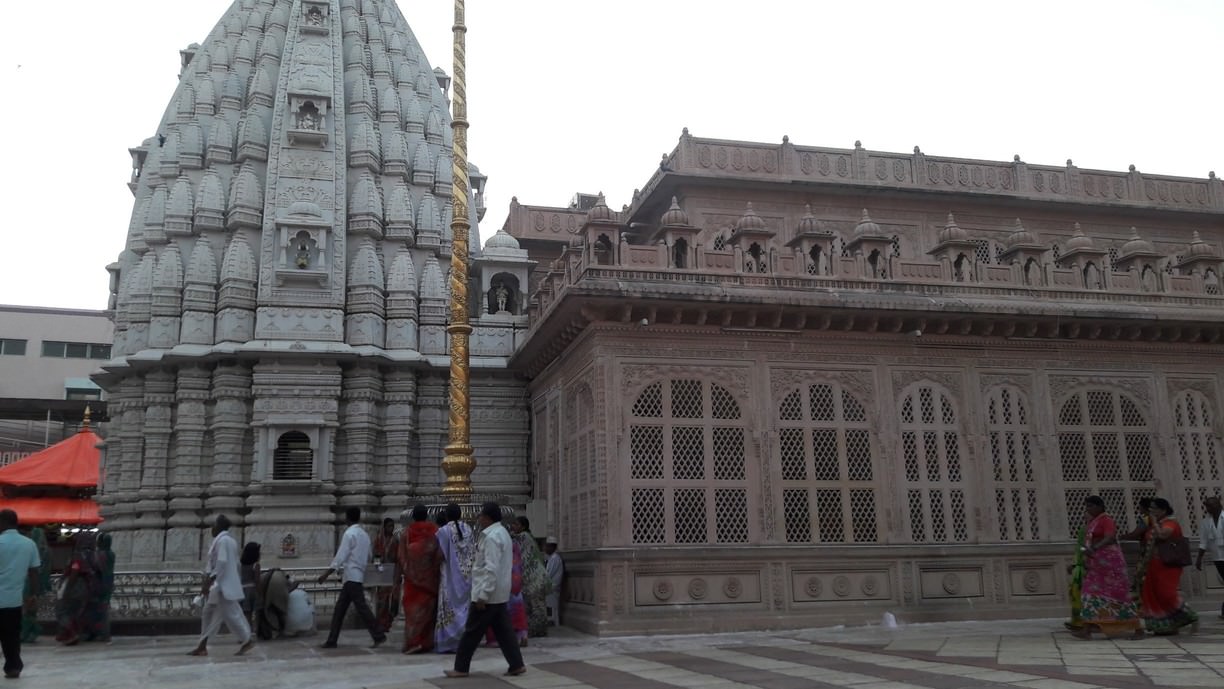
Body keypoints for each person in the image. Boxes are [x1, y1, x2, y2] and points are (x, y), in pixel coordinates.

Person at [444, 502, 527, 678]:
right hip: (499, 593)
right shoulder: (502, 533)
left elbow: (491, 568)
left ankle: (460, 668)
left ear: (488, 518)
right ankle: (516, 664)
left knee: (471, 632)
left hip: (487, 594)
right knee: (504, 632)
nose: (478, 518)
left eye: (481, 515)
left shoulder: (491, 537)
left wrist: (482, 595)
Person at [1070, 496, 1143, 639]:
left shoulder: (1106, 520)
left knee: (1119, 596)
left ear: (1100, 506)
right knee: (1088, 594)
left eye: (1091, 506)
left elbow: (1109, 537)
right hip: (1096, 565)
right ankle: (1087, 628)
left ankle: (1137, 627)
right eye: (1087, 506)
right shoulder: (1093, 522)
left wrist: (1095, 548)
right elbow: (1088, 541)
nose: (1088, 509)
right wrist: (1086, 557)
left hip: (1110, 564)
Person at [318, 506, 386, 649]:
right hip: (357, 575)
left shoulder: (349, 534)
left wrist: (326, 573)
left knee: (359, 608)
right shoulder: (364, 535)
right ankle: (332, 639)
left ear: (347, 518)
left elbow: (341, 556)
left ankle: (378, 634)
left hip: (351, 576)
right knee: (341, 609)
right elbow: (369, 556)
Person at [188, 515, 255, 657]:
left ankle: (246, 639)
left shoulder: (223, 541)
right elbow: (234, 564)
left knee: (231, 615)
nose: (212, 528)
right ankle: (202, 645)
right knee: (210, 613)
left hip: (222, 586)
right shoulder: (230, 541)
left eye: (214, 525)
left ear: (219, 526)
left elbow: (221, 563)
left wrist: (210, 580)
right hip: (224, 585)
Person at [1139, 498, 1198, 635]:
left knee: (1167, 593)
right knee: (1154, 594)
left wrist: (1153, 522)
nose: (1151, 511)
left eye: (1154, 508)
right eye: (1151, 508)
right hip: (1153, 564)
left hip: (1168, 564)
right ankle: (1165, 626)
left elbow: (1162, 535)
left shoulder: (1170, 523)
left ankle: (1191, 616)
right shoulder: (1157, 523)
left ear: (1163, 510)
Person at [0, 509, 40, 679]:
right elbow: (34, 572)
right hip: (14, 599)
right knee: (12, 635)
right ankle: (13, 666)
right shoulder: (29, 544)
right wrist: (33, 595)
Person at [398, 504, 441, 654]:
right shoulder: (435, 531)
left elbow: (402, 558)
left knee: (412, 613)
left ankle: (413, 642)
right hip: (431, 581)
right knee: (429, 612)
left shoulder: (406, 533)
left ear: (413, 516)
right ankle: (426, 642)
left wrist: (410, 573)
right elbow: (439, 556)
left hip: (412, 581)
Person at [435, 502, 475, 653]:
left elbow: (440, 554)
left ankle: (449, 642)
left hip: (450, 576)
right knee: (464, 608)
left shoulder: (444, 531)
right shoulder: (469, 529)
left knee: (448, 606)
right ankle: (464, 641)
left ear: (446, 515)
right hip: (466, 577)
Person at [55, 534, 98, 645]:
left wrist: (67, 590)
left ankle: (71, 633)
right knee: (74, 612)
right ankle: (69, 634)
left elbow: (75, 571)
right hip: (84, 588)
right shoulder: (90, 556)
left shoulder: (77, 557)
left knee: (63, 611)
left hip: (75, 587)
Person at [511, 516, 550, 638]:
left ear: (523, 527)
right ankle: (534, 630)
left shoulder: (524, 536)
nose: (513, 527)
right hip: (533, 578)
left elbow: (511, 538)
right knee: (532, 606)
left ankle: (538, 631)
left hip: (535, 579)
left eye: (516, 524)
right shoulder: (527, 537)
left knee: (536, 607)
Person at [1194, 496, 1224, 619]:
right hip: (1218, 557)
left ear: (1219, 505)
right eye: (1207, 506)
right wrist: (1199, 558)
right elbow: (1203, 542)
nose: (1209, 508)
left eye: (1211, 505)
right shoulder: (1206, 522)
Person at [19, 527, 50, 643]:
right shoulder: (44, 551)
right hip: (36, 583)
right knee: (31, 610)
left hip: (27, 583)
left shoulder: (29, 549)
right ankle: (31, 632)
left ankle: (29, 632)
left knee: (26, 610)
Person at [83, 532, 116, 642]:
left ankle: (96, 632)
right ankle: (104, 633)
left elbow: (96, 567)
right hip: (108, 583)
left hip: (98, 584)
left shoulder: (100, 554)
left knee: (95, 609)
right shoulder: (111, 554)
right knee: (103, 609)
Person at [373, 517, 400, 633]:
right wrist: (378, 566)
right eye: (389, 526)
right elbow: (375, 555)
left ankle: (389, 623)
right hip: (382, 572)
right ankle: (380, 623)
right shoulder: (379, 540)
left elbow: (398, 556)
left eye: (392, 526)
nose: (391, 528)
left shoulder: (395, 540)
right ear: (384, 527)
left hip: (393, 571)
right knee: (382, 599)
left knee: (392, 599)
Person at [240, 542, 261, 624]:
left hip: (242, 590)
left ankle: (247, 631)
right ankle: (255, 630)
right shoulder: (256, 565)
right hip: (252, 590)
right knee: (257, 613)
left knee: (246, 614)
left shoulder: (240, 564)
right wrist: (260, 592)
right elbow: (257, 580)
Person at [544, 537, 564, 626]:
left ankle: (554, 624)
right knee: (549, 608)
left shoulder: (555, 558)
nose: (545, 548)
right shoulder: (551, 558)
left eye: (547, 546)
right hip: (549, 588)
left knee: (552, 610)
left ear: (553, 547)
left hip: (552, 588)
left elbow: (548, 574)